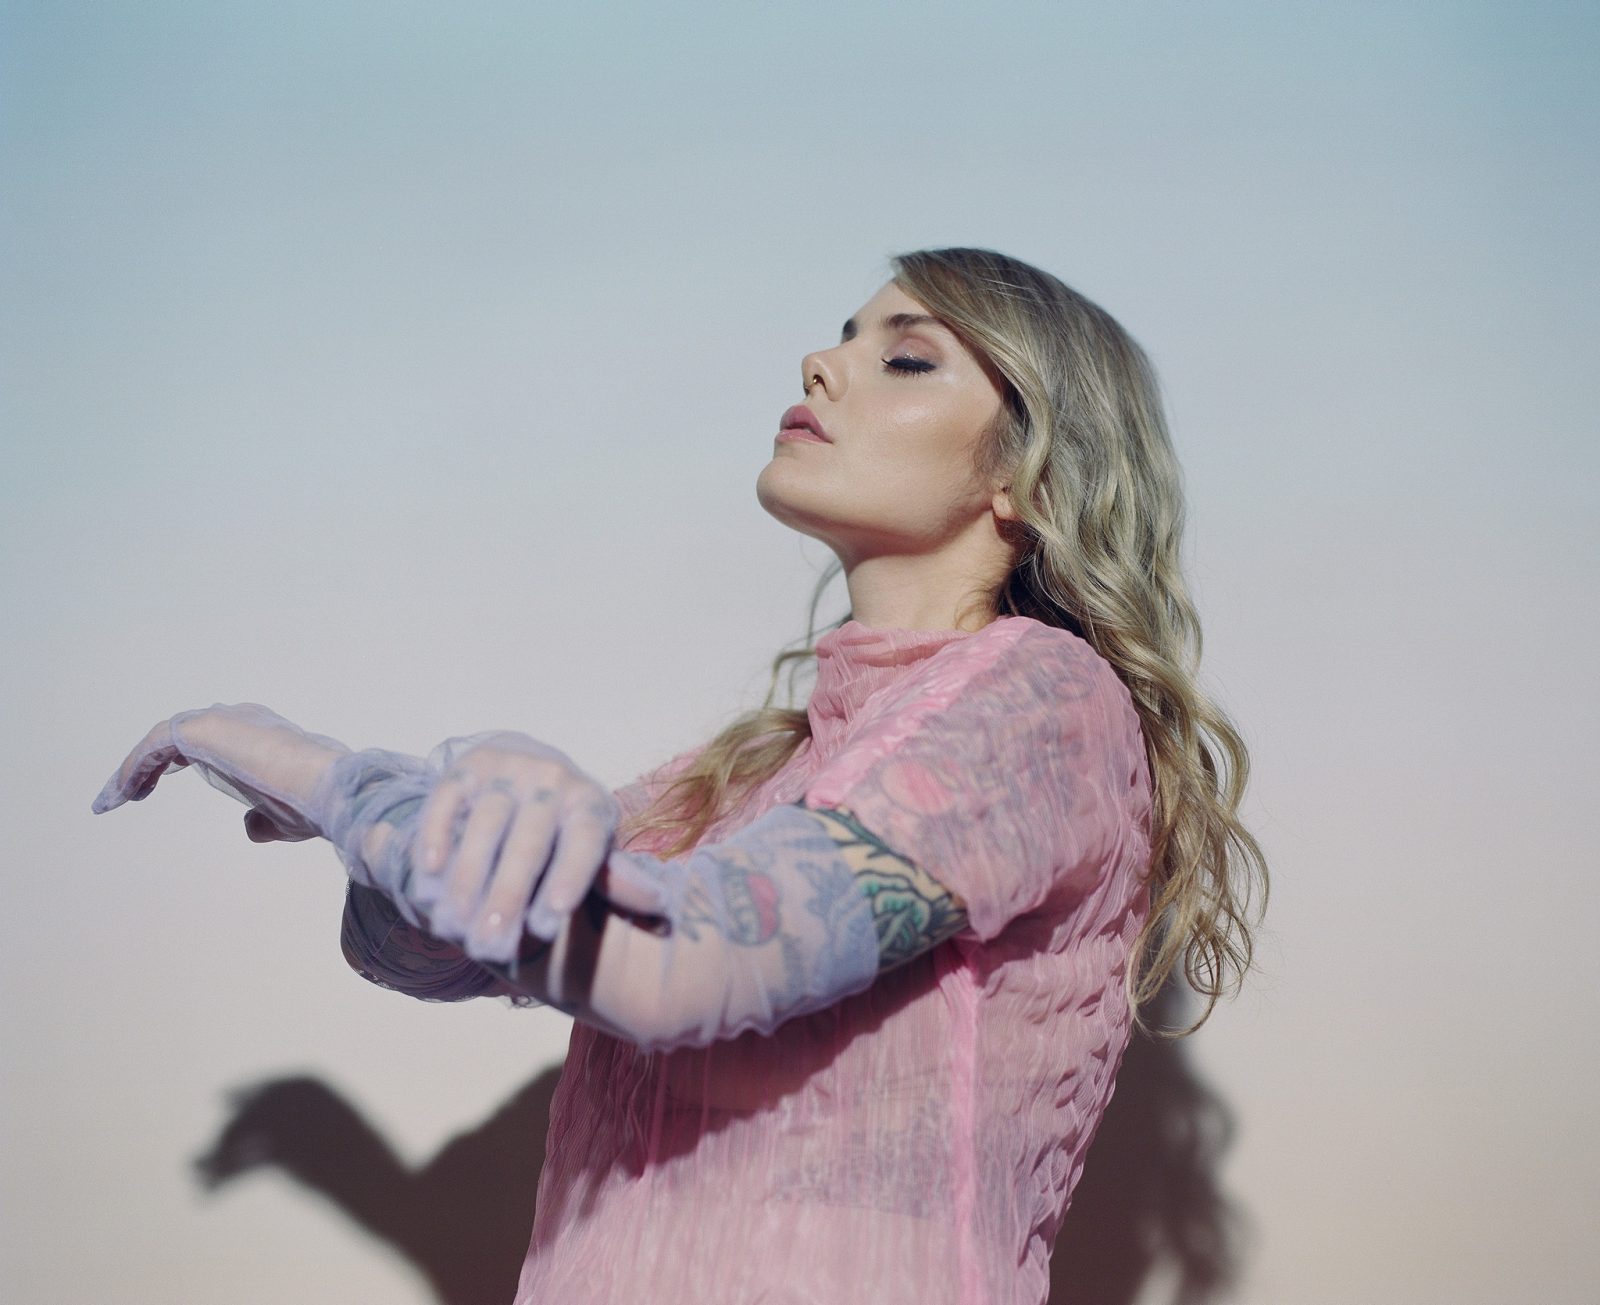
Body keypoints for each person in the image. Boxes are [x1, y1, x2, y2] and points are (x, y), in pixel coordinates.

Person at [92, 246, 1268, 1305]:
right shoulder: (759, 769)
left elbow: (668, 966)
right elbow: (419, 950)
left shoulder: (1043, 703)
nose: (821, 364)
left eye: (906, 358)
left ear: (1028, 478)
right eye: (841, 337)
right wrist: (442, 810)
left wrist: (326, 777)